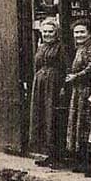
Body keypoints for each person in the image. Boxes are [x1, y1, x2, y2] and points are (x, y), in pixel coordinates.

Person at [64, 20, 91, 173]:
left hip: (89, 90)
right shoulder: (80, 47)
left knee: (90, 125)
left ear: (89, 33)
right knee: (79, 125)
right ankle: (83, 161)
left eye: (82, 32)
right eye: (76, 32)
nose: (79, 35)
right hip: (79, 91)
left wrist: (76, 76)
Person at [30, 19, 67, 167]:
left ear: (56, 33)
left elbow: (66, 68)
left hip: (54, 85)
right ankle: (48, 153)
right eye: (45, 31)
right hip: (40, 85)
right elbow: (37, 65)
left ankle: (58, 156)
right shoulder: (41, 47)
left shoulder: (61, 48)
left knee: (53, 117)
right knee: (42, 116)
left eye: (50, 31)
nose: (47, 34)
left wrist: (63, 87)